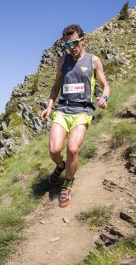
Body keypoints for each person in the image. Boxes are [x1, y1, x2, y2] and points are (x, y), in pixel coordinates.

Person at [41, 24, 110, 208]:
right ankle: (60, 166)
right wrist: (49, 106)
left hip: (82, 110)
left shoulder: (94, 60)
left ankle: (68, 184)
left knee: (72, 149)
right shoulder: (62, 61)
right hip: (63, 109)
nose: (71, 47)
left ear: (82, 40)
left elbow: (106, 86)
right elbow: (56, 86)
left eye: (74, 43)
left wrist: (104, 97)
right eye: (66, 44)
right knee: (55, 150)